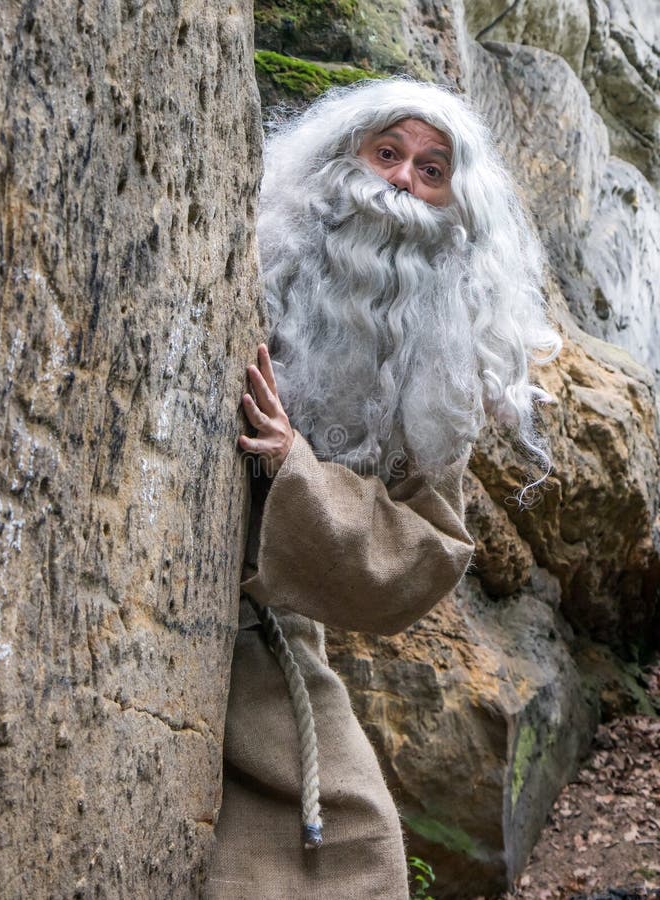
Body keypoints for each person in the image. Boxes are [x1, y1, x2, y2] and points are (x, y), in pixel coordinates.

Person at [206, 78, 561, 899]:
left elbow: (429, 548)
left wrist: (296, 472)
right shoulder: (259, 238)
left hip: (270, 635)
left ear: (452, 211)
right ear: (343, 159)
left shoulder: (435, 362)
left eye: (431, 170)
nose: (402, 180)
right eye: (388, 153)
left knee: (356, 846)